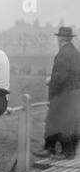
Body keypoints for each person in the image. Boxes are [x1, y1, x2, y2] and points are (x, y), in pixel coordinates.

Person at [34, 27, 80, 159]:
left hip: (63, 95)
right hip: (73, 94)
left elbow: (61, 76)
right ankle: (51, 148)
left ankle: (65, 152)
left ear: (60, 39)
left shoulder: (64, 54)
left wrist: (50, 80)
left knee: (61, 123)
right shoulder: (76, 52)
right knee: (65, 122)